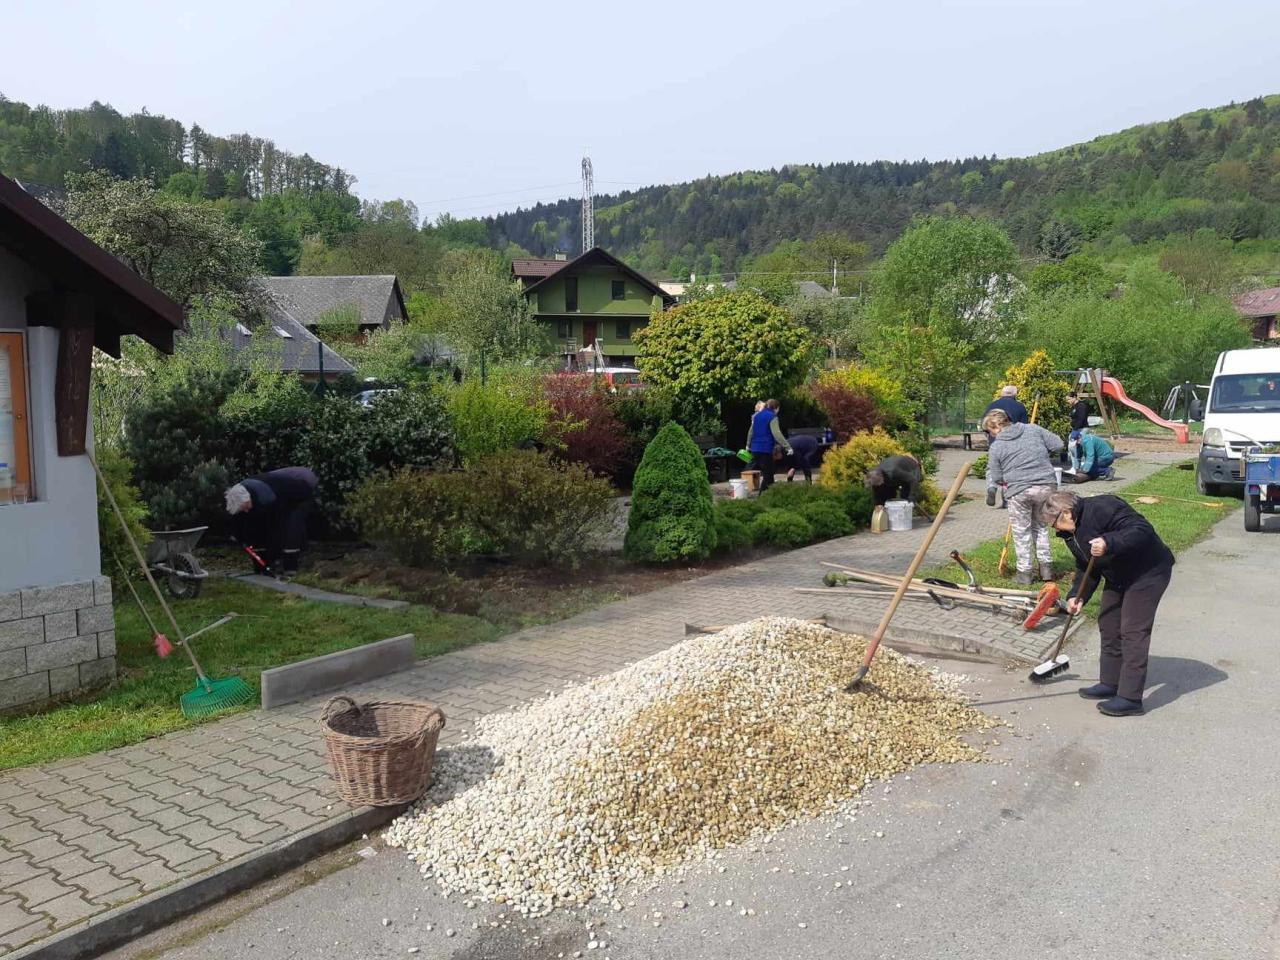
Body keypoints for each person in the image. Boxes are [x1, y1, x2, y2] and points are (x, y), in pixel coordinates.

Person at [1036, 490, 1174, 717]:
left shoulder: (1104, 507)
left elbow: (1142, 530)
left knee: (1133, 631)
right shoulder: (1071, 533)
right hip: (1118, 575)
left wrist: (1109, 542)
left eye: (1054, 524)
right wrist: (1077, 595)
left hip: (1148, 573)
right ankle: (1110, 683)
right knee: (1109, 624)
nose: (1055, 530)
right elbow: (1086, 565)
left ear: (1066, 513)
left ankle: (1131, 698)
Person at [983, 408, 1062, 585]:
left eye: (990, 432)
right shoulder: (1033, 429)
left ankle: (1024, 574)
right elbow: (1058, 444)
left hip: (1019, 491)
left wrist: (1007, 479)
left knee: (1022, 532)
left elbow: (996, 477)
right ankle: (1046, 569)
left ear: (996, 427)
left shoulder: (997, 447)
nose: (991, 435)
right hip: (1046, 486)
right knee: (1041, 527)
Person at [224, 467, 318, 577]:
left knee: (291, 528)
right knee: (257, 529)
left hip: (300, 493)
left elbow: (275, 526)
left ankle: (290, 568)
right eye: (242, 509)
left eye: (246, 507)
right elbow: (244, 523)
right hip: (279, 486)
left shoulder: (267, 497)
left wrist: (273, 558)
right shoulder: (240, 496)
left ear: (249, 498)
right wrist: (240, 537)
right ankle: (266, 566)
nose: (246, 511)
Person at [984, 385, 1030, 507]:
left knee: (992, 467)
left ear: (1001, 393)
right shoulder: (1019, 406)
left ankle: (991, 487)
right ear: (1015, 395)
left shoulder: (992, 405)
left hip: (995, 442)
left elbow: (985, 425)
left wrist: (990, 437)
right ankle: (1006, 499)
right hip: (1013, 444)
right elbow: (1023, 427)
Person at [746, 399, 792, 492]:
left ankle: (768, 495)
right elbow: (776, 433)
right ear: (776, 408)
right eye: (778, 409)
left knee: (769, 474)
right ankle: (763, 496)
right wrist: (788, 447)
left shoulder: (756, 416)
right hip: (765, 449)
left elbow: (751, 431)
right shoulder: (772, 416)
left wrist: (748, 445)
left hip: (755, 449)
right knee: (768, 475)